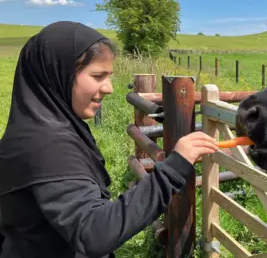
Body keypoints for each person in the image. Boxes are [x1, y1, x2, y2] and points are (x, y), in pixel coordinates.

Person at [0, 21, 218, 258]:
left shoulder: (37, 128)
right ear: (58, 73)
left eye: (109, 76)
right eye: (97, 76)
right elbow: (93, 233)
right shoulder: (47, 146)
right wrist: (172, 169)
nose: (109, 87)